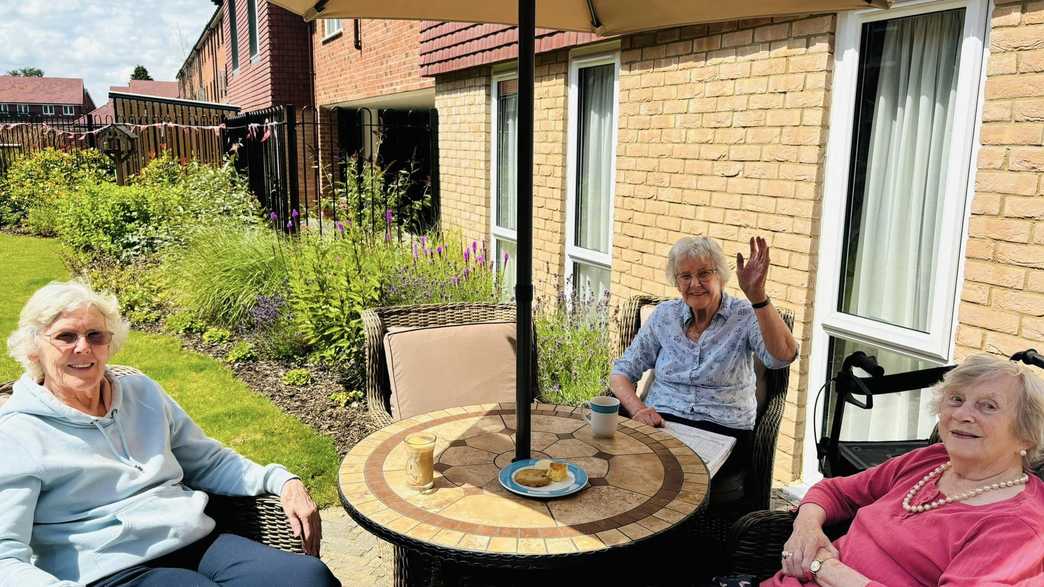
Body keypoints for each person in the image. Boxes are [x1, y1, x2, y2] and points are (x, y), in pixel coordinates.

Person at [0, 280, 340, 586]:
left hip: (193, 540)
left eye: (95, 335)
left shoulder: (140, 391)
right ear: (34, 349)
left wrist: (280, 480)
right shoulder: (18, 433)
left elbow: (207, 461)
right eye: (65, 336)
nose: (83, 348)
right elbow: (5, 556)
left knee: (309, 578)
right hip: (108, 567)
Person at [767, 353, 1044, 586]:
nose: (961, 415)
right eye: (956, 399)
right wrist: (806, 529)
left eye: (988, 406)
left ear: (1026, 434)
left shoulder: (1018, 526)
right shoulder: (932, 460)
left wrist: (823, 567)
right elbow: (835, 491)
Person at [610, 235, 798, 485]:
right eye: (685, 276)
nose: (695, 284)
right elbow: (621, 372)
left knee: (668, 477)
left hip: (722, 429)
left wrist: (758, 297)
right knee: (612, 464)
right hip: (661, 423)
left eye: (704, 274)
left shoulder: (745, 315)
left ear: (720, 275)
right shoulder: (664, 316)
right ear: (676, 283)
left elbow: (782, 357)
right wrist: (639, 409)